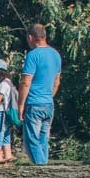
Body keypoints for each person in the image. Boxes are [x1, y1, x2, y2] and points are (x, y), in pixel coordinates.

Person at [17, 23, 62, 165]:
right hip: (48, 104)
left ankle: (41, 170)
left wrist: (20, 105)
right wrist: (48, 97)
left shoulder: (32, 55)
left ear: (30, 37)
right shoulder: (55, 55)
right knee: (43, 140)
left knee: (31, 141)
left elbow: (26, 82)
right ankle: (45, 168)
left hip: (34, 103)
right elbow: (57, 82)